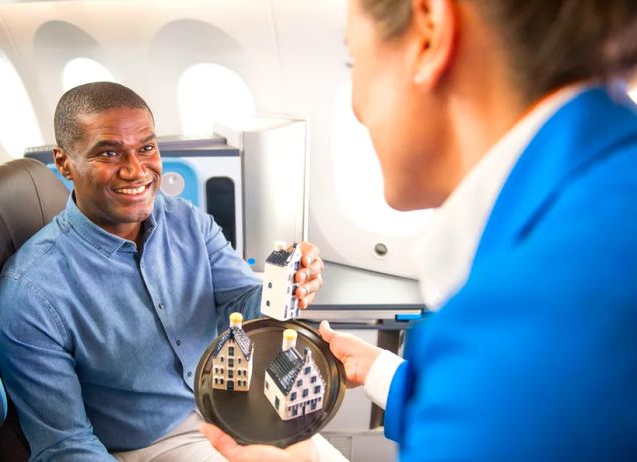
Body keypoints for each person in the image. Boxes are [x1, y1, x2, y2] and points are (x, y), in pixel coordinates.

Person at [202, 0, 637, 460]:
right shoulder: (600, 203)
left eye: (355, 62)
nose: (355, 108)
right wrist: (381, 373)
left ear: (431, 30)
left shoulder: (531, 305)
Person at [0, 82, 326, 461]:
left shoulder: (186, 221)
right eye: (110, 153)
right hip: (150, 444)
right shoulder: (32, 292)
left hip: (231, 403)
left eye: (146, 148)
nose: (136, 170)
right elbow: (64, 445)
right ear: (64, 162)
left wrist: (285, 286)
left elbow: (242, 306)